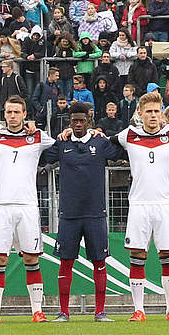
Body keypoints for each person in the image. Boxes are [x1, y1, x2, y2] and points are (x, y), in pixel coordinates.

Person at [41, 102, 122, 322]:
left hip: (96, 213)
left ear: (88, 121)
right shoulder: (61, 144)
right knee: (66, 262)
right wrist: (51, 134)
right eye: (74, 121)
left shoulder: (100, 142)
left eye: (82, 120)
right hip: (69, 214)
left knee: (99, 262)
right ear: (69, 122)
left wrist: (107, 135)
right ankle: (64, 312)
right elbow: (39, 150)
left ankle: (100, 312)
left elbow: (123, 144)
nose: (78, 124)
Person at [0, 97, 54, 322]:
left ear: (24, 115)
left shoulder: (38, 137)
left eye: (16, 112)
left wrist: (35, 127)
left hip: (28, 206)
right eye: (9, 112)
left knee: (32, 259)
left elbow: (58, 143)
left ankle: (37, 311)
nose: (12, 116)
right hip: (1, 206)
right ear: (4, 114)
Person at [113, 91, 169, 321]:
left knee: (168, 255)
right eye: (149, 111)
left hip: (165, 203)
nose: (153, 115)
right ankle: (139, 310)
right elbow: (107, 143)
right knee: (137, 254)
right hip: (139, 203)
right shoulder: (129, 135)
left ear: (162, 113)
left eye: (156, 111)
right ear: (139, 113)